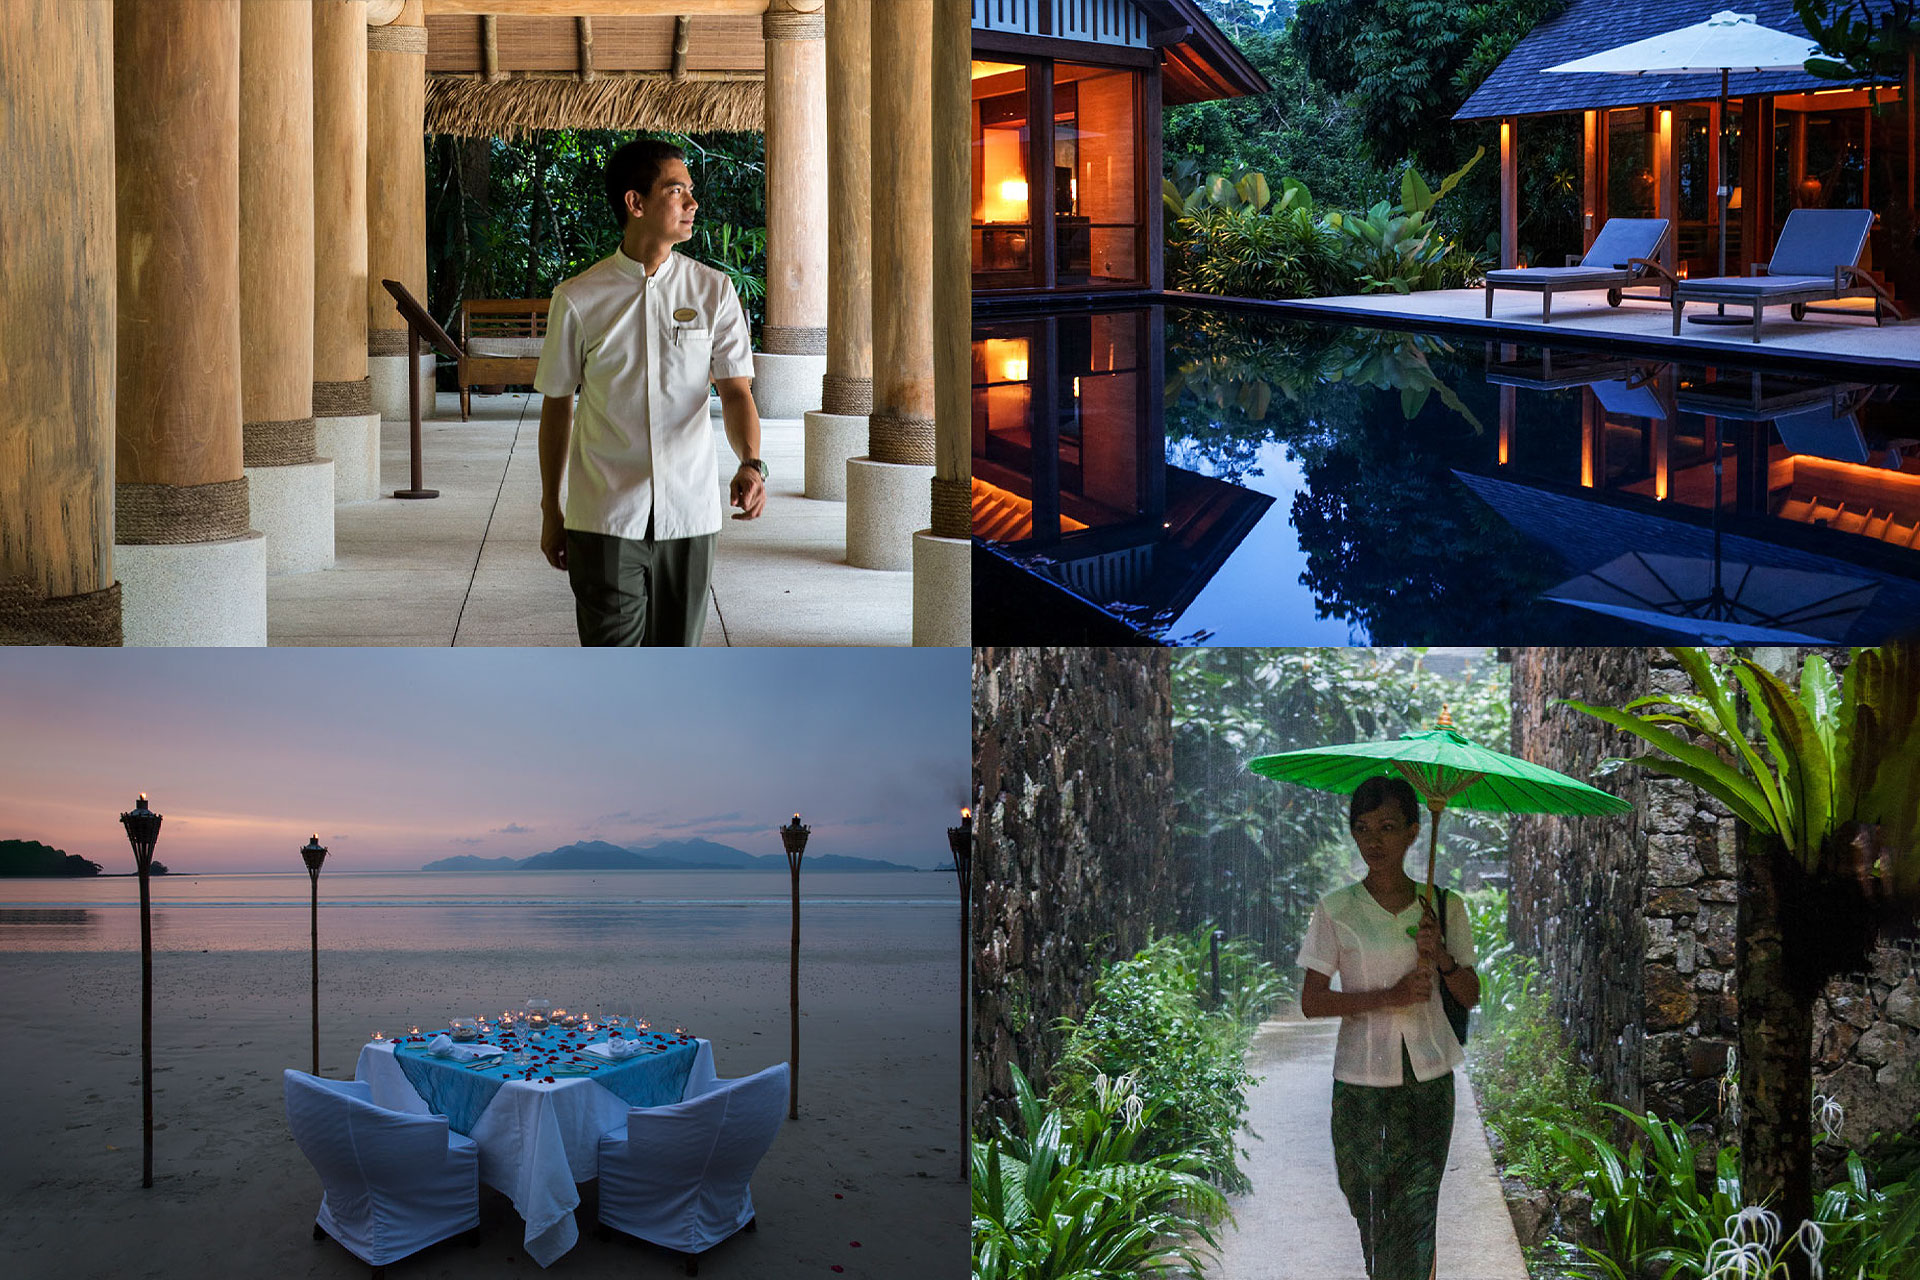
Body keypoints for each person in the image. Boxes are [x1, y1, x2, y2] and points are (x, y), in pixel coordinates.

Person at [533, 138, 768, 646]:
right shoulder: (577, 299)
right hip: (606, 516)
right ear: (635, 203)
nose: (692, 203)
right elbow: (557, 407)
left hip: (691, 515)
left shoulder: (713, 291)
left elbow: (735, 391)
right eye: (676, 190)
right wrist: (553, 510)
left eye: (690, 191)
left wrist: (751, 462)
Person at [1296, 775, 1481, 1280]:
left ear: (1414, 833)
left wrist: (1440, 955)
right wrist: (1387, 998)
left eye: (1387, 826)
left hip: (1428, 1076)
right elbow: (1311, 1001)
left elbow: (1469, 994)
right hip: (1358, 1080)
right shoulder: (1335, 909)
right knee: (1368, 1206)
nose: (1373, 840)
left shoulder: (1444, 907)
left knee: (1418, 1209)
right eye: (1362, 827)